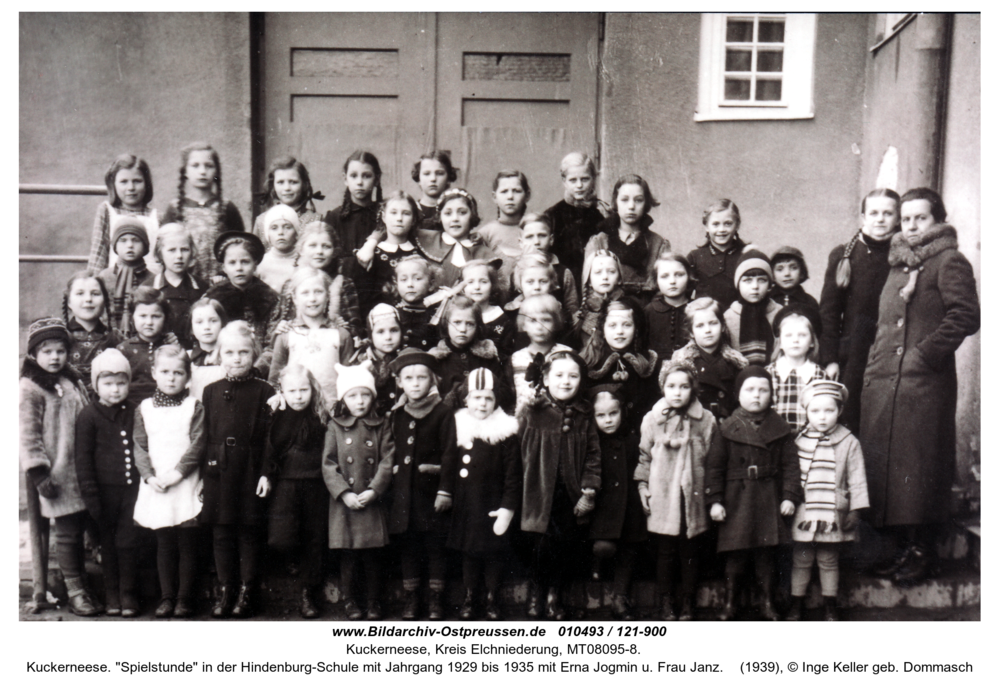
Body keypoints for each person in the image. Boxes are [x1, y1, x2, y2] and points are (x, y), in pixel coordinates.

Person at [859, 188, 980, 585]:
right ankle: (902, 550)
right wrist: (876, 366)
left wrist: (926, 355)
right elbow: (884, 325)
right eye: (906, 219)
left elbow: (966, 315)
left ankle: (924, 552)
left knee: (921, 466)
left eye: (920, 218)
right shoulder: (897, 265)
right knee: (892, 468)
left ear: (938, 219)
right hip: (886, 383)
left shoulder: (949, 260)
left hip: (925, 385)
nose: (910, 226)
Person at [705, 366, 801, 621]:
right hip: (736, 500)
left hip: (768, 498)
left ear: (772, 394)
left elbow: (791, 466)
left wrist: (789, 496)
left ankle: (767, 602)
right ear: (738, 394)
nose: (756, 395)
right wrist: (715, 501)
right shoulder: (726, 429)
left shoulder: (781, 429)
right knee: (735, 556)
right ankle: (729, 603)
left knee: (765, 556)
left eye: (763, 390)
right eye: (749, 389)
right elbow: (714, 468)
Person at [518, 350, 601, 620]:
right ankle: (536, 592)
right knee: (540, 545)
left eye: (573, 376)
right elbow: (514, 448)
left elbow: (592, 454)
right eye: (559, 375)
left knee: (565, 545)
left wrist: (588, 489)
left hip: (570, 492)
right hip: (538, 492)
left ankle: (555, 595)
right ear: (545, 377)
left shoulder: (584, 414)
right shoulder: (533, 409)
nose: (566, 381)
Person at [19, 317, 94, 614]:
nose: (54, 357)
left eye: (60, 351)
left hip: (83, 470)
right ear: (33, 354)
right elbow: (27, 434)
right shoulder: (30, 388)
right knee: (67, 533)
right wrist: (38, 471)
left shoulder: (70, 380)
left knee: (85, 530)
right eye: (47, 351)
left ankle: (85, 585)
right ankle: (76, 592)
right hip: (57, 474)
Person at [200, 321, 273, 619]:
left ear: (254, 353)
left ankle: (247, 590)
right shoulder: (210, 391)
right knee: (221, 531)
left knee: (248, 530)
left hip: (250, 467)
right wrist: (204, 475)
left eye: (244, 352)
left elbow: (271, 437)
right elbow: (204, 434)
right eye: (229, 352)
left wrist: (266, 473)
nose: (237, 358)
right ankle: (226, 588)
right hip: (219, 466)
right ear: (219, 355)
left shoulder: (265, 390)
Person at [636, 361, 717, 621]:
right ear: (662, 388)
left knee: (690, 551)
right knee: (666, 552)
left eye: (684, 386)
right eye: (671, 386)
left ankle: (688, 602)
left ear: (693, 388)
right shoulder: (652, 419)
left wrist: (711, 493)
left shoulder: (705, 420)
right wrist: (642, 486)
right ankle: (666, 602)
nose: (678, 392)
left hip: (692, 497)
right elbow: (644, 457)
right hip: (663, 495)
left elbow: (713, 458)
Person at [131, 345, 206, 618]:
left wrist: (178, 473)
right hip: (157, 484)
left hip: (184, 482)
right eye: (165, 372)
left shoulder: (193, 406)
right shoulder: (145, 408)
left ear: (187, 376)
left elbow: (198, 444)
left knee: (187, 542)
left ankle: (184, 598)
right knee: (164, 542)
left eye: (178, 373)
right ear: (154, 373)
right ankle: (166, 597)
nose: (171, 378)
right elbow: (139, 446)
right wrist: (150, 477)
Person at [817, 188, 900, 433]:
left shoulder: (903, 256)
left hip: (891, 349)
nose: (880, 219)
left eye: (888, 213)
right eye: (873, 212)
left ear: (897, 218)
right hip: (854, 353)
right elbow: (829, 312)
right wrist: (830, 359)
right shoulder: (845, 255)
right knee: (852, 417)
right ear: (863, 217)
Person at [787, 380, 868, 621]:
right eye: (815, 411)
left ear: (840, 411)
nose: (822, 417)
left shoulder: (849, 442)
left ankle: (830, 604)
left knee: (828, 559)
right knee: (801, 559)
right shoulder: (798, 441)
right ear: (806, 411)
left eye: (829, 411)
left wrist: (856, 510)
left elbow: (857, 478)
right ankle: (796, 603)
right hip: (804, 511)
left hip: (833, 513)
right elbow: (791, 476)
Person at [387, 348, 458, 620]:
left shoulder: (442, 413)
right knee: (409, 545)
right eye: (409, 378)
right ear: (400, 382)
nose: (415, 383)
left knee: (435, 546)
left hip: (431, 494)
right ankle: (411, 598)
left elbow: (450, 453)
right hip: (405, 494)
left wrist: (444, 490)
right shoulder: (397, 414)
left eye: (421, 378)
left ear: (432, 381)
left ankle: (436, 600)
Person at [445, 368, 521, 620]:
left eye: (488, 398)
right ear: (466, 399)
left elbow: (513, 474)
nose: (482, 403)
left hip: (492, 504)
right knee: (469, 553)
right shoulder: (458, 425)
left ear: (496, 401)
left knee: (492, 553)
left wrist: (507, 506)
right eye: (476, 397)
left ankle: (492, 598)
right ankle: (470, 597)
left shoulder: (504, 431)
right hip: (467, 503)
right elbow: (449, 462)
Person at [323, 362, 394, 621]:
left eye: (365, 394)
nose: (360, 401)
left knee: (373, 556)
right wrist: (343, 493)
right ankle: (351, 602)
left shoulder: (381, 424)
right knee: (349, 557)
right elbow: (328, 464)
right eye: (352, 395)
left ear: (373, 396)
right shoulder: (335, 426)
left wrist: (375, 490)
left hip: (371, 500)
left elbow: (388, 460)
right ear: (343, 398)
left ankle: (374, 602)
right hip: (346, 504)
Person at [75, 349, 141, 617]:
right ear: (96, 385)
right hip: (103, 495)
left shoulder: (135, 411)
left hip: (131, 493)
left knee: (128, 542)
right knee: (108, 544)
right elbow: (83, 459)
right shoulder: (88, 416)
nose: (115, 390)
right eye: (108, 383)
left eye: (121, 383)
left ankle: (129, 593)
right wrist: (92, 498)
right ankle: (112, 593)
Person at [264, 364, 331, 619]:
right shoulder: (277, 413)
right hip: (286, 483)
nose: (298, 396)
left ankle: (308, 594)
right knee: (280, 538)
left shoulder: (321, 414)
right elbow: (268, 448)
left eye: (303, 389)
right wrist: (267, 475)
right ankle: (292, 560)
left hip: (316, 483)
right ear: (282, 391)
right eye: (292, 390)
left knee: (314, 539)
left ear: (312, 389)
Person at [589, 386, 646, 620]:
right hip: (601, 508)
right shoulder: (591, 443)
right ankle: (596, 569)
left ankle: (619, 597)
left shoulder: (632, 440)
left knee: (628, 548)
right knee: (604, 547)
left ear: (622, 411)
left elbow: (641, 466)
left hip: (629, 507)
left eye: (613, 413)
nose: (608, 420)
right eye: (601, 415)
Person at [268, 267, 355, 411]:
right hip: (295, 410)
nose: (312, 299)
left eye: (318, 292)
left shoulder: (341, 334)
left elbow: (349, 378)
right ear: (295, 298)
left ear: (327, 296)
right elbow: (275, 378)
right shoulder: (286, 335)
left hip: (333, 410)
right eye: (305, 293)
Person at [161, 142, 245, 285]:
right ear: (185, 171)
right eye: (195, 166)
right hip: (185, 285)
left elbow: (240, 248)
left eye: (208, 166)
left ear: (216, 171)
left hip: (220, 284)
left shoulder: (226, 208)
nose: (202, 171)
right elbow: (163, 249)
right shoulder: (175, 209)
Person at [584, 174, 668, 299]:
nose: (631, 206)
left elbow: (664, 291)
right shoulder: (599, 242)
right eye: (624, 200)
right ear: (615, 202)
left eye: (638, 200)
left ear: (646, 204)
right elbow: (588, 290)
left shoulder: (658, 244)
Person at [670, 297, 748, 420]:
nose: (707, 330)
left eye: (713, 323)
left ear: (722, 326)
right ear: (691, 332)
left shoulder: (736, 363)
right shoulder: (682, 363)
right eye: (700, 326)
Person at [205, 232, 280, 350]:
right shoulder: (213, 297)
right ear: (224, 268)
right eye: (232, 263)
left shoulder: (270, 298)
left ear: (255, 265)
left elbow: (272, 343)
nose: (239, 268)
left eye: (245, 262)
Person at [87, 153, 158, 274]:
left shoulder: (156, 216)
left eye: (137, 181)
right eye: (124, 182)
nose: (131, 187)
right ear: (113, 184)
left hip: (149, 283)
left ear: (146, 184)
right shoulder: (107, 211)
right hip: (115, 280)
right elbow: (98, 255)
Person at [353, 190, 422, 313]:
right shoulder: (372, 255)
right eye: (393, 213)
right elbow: (363, 299)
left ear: (413, 219)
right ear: (384, 217)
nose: (399, 218)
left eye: (406, 213)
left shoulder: (418, 254)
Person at [544, 152, 606, 284]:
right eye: (573, 180)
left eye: (585, 179)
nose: (579, 185)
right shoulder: (551, 216)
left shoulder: (603, 214)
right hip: (562, 284)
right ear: (564, 181)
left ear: (594, 178)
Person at [414, 188, 497, 287]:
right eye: (448, 213)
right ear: (440, 217)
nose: (455, 219)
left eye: (462, 213)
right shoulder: (427, 241)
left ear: (472, 215)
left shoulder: (481, 251)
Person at [142, 223, 206, 349]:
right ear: (160, 254)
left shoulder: (202, 287)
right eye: (172, 250)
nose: (179, 256)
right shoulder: (149, 288)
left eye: (184, 249)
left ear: (192, 252)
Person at [507, 294, 572, 416]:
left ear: (556, 322)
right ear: (523, 324)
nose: (539, 327)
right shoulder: (515, 359)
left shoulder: (567, 354)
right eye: (532, 321)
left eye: (546, 320)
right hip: (524, 426)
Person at [766, 306, 827, 433]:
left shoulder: (820, 375)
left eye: (802, 335)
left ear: (812, 342)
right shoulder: (768, 373)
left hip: (810, 440)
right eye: (788, 335)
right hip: (776, 440)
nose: (795, 340)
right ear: (780, 343)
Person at [62, 271, 118, 398]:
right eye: (80, 293)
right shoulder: (59, 338)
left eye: (95, 294)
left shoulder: (115, 339)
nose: (88, 299)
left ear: (104, 301)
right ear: (69, 301)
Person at [324, 150, 384, 268]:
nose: (359, 182)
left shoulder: (385, 215)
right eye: (353, 176)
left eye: (366, 176)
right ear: (345, 178)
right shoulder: (334, 217)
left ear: (377, 179)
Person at [116, 286, 175, 404]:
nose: (149, 322)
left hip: (166, 405)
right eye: (142, 316)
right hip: (132, 406)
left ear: (165, 318)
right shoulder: (123, 349)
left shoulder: (171, 346)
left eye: (156, 316)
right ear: (132, 318)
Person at [687, 198, 746, 310]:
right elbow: (684, 294)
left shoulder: (746, 255)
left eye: (728, 224)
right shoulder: (694, 257)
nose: (721, 229)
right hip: (706, 322)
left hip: (739, 319)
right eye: (715, 224)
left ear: (737, 225)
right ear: (706, 226)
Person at [724, 248, 780, 365]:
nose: (755, 286)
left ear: (770, 285)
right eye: (747, 281)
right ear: (738, 284)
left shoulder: (780, 313)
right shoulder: (728, 317)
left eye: (762, 280)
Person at [98, 216, 151, 335]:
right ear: (115, 245)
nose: (130, 245)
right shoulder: (104, 277)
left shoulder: (153, 278)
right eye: (123, 240)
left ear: (145, 245)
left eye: (136, 240)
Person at [477, 170, 531, 284]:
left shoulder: (534, 229)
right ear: (494, 197)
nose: (510, 196)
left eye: (516, 191)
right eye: (504, 191)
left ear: (527, 195)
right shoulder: (485, 233)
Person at [251, 156, 321, 244]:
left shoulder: (315, 220)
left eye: (293, 182)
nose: (287, 188)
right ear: (273, 186)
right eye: (280, 182)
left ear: (304, 185)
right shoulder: (261, 221)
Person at [644, 251, 695, 365]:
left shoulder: (696, 310)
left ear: (689, 276)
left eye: (679, 275)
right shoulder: (649, 311)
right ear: (656, 280)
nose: (672, 281)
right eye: (664, 276)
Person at [460, 258, 516, 359]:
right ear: (462, 288)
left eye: (483, 282)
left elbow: (506, 354)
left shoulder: (502, 319)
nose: (477, 287)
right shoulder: (458, 315)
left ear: (492, 285)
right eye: (470, 282)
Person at [574, 249, 625, 350]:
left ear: (619, 278)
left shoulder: (627, 307)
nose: (605, 277)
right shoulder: (582, 314)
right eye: (598, 272)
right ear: (589, 280)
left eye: (611, 272)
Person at [256, 204, 301, 293]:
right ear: (267, 233)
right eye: (274, 228)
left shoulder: (304, 262)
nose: (280, 232)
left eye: (287, 227)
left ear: (296, 232)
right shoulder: (260, 264)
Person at [411, 151, 458, 229]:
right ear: (418, 178)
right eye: (426, 174)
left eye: (439, 173)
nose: (433, 179)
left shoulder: (455, 211)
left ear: (448, 178)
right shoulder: (411, 210)